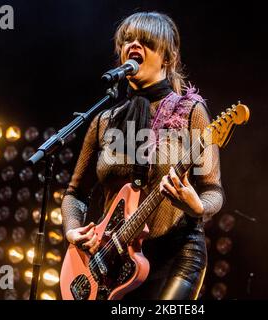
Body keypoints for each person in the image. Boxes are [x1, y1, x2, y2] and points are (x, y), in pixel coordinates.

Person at [61, 11, 224, 300]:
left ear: (167, 58)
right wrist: (73, 230)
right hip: (112, 261)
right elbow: (75, 193)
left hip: (176, 255)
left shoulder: (190, 112)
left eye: (146, 41)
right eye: (128, 40)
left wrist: (198, 207)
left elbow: (214, 192)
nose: (134, 44)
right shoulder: (104, 120)